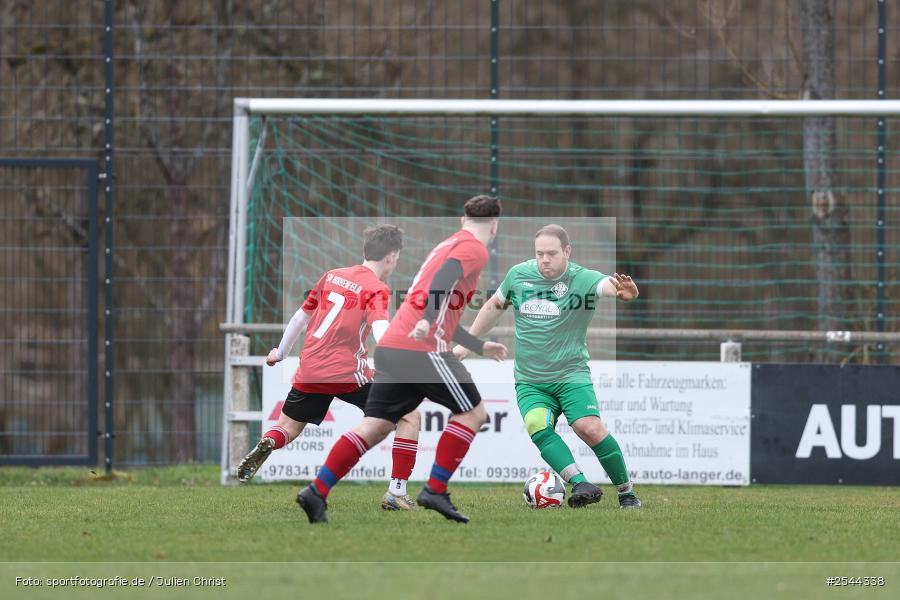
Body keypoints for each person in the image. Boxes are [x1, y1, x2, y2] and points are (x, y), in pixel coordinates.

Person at [296, 195, 507, 524]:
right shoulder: (474, 248)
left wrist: (477, 345)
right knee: (473, 412)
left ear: (462, 220)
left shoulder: (447, 243)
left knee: (375, 426)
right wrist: (427, 319)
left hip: (394, 346)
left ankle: (316, 491)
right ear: (494, 226)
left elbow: (443, 309)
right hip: (421, 349)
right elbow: (444, 282)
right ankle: (435, 489)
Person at [454, 223, 642, 509]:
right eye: (540, 253)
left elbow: (608, 285)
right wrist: (467, 344)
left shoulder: (583, 278)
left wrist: (625, 290)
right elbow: (493, 305)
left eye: (551, 253)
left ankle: (626, 492)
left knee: (588, 427)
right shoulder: (519, 275)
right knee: (536, 425)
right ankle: (580, 483)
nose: (544, 259)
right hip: (530, 380)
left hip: (571, 376)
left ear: (567, 251)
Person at [237, 224, 422, 511]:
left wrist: (280, 352)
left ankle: (268, 443)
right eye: (396, 258)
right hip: (348, 374)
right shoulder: (377, 288)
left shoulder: (332, 275)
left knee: (287, 427)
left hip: (309, 369)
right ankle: (396, 492)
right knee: (409, 416)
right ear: (390, 257)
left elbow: (301, 317)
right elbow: (381, 329)